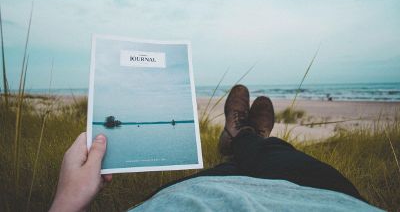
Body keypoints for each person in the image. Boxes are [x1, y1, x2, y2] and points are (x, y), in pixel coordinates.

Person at [50, 85, 382, 212]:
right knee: (281, 156)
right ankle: (248, 138)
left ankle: (240, 138)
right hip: (326, 199)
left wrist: (66, 202)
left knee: (229, 172)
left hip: (202, 196)